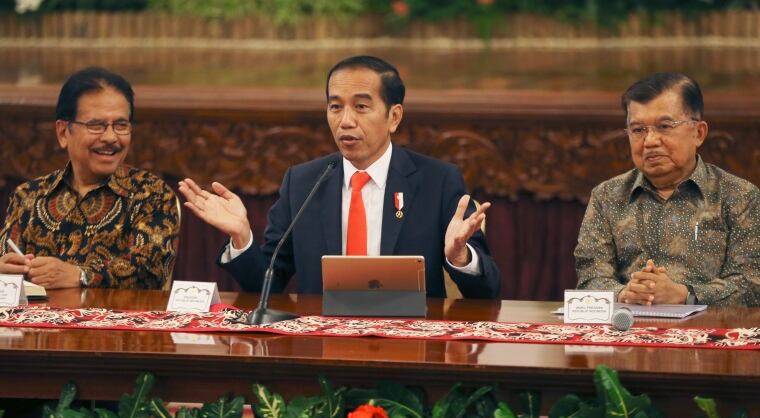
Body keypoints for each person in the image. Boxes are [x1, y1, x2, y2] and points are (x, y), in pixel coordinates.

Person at [179, 55, 500, 298]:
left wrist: (460, 257)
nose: (345, 121)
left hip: (411, 350)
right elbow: (268, 284)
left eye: (361, 107)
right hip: (321, 351)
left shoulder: (437, 181)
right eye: (335, 107)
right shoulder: (303, 182)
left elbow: (488, 291)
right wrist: (242, 238)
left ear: (394, 117)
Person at [574, 72, 760, 307]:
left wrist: (684, 295)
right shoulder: (606, 196)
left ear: (698, 133)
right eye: (638, 130)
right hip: (627, 331)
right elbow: (590, 277)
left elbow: (750, 284)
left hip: (708, 335)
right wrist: (626, 293)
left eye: (664, 126)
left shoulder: (738, 195)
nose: (650, 141)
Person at [0, 67, 180, 290]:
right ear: (63, 132)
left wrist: (80, 276)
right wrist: (5, 272)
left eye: (121, 125)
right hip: (34, 324)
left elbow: (150, 272)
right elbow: (6, 264)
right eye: (96, 125)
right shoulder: (28, 195)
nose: (111, 137)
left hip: (121, 323)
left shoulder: (151, 193)